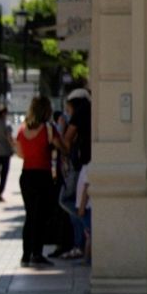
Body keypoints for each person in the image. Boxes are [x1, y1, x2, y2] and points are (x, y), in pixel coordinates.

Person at [14, 95, 59, 267]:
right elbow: (63, 146)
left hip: (26, 176)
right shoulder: (49, 129)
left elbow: (20, 154)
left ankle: (26, 255)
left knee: (30, 215)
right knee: (42, 215)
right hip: (43, 175)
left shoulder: (22, 130)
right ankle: (37, 253)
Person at [54, 96, 92, 260]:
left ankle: (85, 232)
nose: (67, 113)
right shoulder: (90, 111)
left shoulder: (79, 114)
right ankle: (82, 239)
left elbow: (66, 141)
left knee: (70, 202)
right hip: (84, 164)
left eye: (68, 109)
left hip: (81, 166)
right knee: (79, 203)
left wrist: (61, 129)